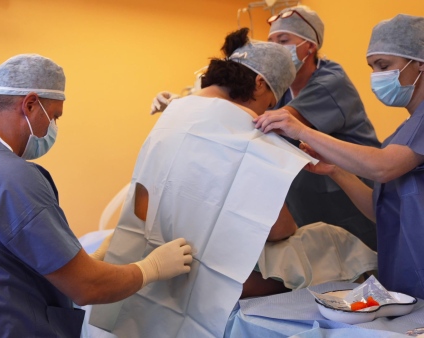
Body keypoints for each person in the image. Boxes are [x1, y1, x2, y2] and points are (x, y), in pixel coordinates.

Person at [0, 54, 193, 337]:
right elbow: (88, 287)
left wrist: (88, 258)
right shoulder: (11, 177)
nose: (53, 128)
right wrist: (152, 267)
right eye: (55, 116)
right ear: (31, 104)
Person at [151, 6, 381, 251]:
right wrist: (192, 102)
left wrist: (193, 105)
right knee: (324, 252)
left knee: (362, 257)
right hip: (307, 192)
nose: (277, 48)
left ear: (310, 46)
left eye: (283, 40)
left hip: (350, 191)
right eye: (271, 41)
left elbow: (270, 121)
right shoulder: (279, 88)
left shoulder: (330, 82)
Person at [255, 13, 424, 299]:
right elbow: (380, 209)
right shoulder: (404, 131)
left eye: (384, 66)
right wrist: (336, 170)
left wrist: (302, 130)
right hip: (406, 271)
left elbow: (383, 168)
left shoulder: (414, 130)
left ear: (419, 62)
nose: (376, 76)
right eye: (372, 67)